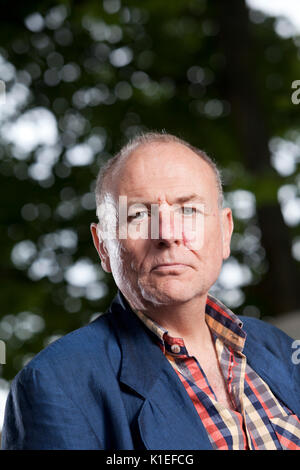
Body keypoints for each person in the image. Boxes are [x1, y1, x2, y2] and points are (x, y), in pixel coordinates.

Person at [2, 131, 300, 450]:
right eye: (139, 215)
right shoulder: (54, 385)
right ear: (103, 246)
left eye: (188, 210)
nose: (167, 234)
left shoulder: (282, 350)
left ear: (225, 231)